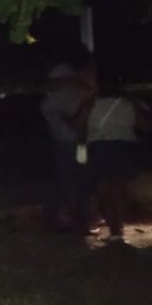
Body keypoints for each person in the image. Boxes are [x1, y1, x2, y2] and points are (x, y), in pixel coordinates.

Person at [78, 77, 151, 244]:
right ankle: (119, 230)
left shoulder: (90, 104)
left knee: (103, 191)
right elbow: (144, 126)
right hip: (124, 147)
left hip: (99, 147)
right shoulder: (128, 104)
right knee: (118, 189)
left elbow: (77, 125)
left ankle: (114, 229)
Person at [39, 48, 97, 233]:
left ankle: (81, 218)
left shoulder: (84, 78)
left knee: (82, 177)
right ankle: (57, 216)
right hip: (68, 137)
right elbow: (49, 91)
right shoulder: (63, 75)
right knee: (68, 177)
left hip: (81, 137)